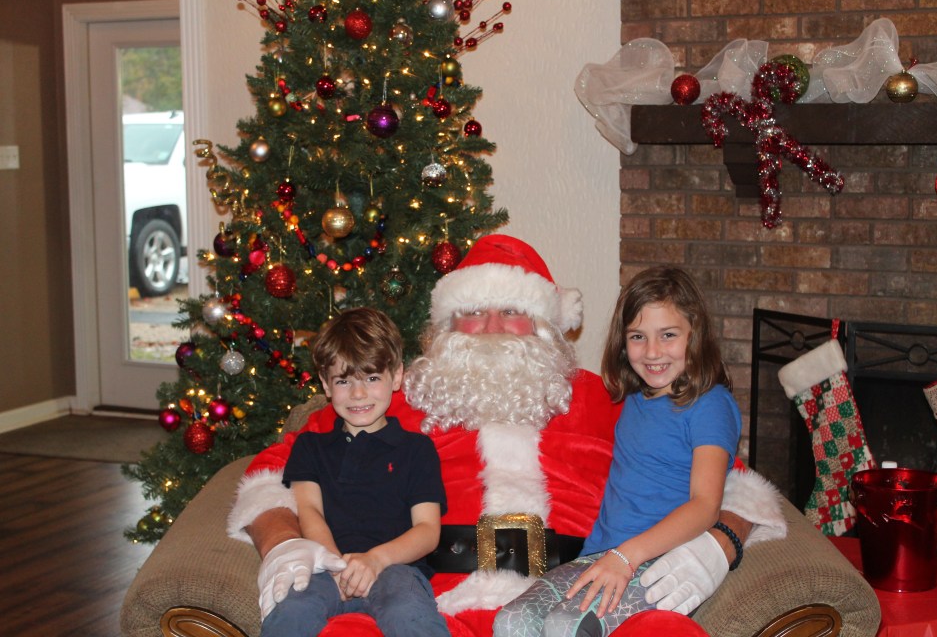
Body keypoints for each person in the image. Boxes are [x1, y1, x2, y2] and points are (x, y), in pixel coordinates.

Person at [227, 234, 787, 637]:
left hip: (580, 595)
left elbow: (730, 483)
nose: (493, 329)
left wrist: (721, 542)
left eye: (513, 312)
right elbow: (276, 467)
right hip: (438, 605)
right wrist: (283, 543)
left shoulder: (605, 397)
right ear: (446, 326)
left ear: (546, 325)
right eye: (474, 312)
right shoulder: (396, 395)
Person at [494, 267, 742, 636]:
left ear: (695, 334)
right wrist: (612, 557)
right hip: (599, 556)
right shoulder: (635, 398)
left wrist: (627, 556)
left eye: (668, 335)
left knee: (567, 627)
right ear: (623, 343)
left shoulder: (710, 405)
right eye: (638, 337)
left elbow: (705, 506)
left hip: (657, 563)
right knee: (511, 621)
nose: (653, 352)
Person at [260, 307, 449, 637]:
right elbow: (309, 511)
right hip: (325, 568)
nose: (358, 394)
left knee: (409, 612)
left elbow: (427, 530)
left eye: (372, 378)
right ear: (326, 384)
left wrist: (375, 560)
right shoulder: (310, 447)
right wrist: (337, 565)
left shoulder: (417, 449)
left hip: (396, 568)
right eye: (344, 381)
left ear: (397, 377)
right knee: (292, 609)